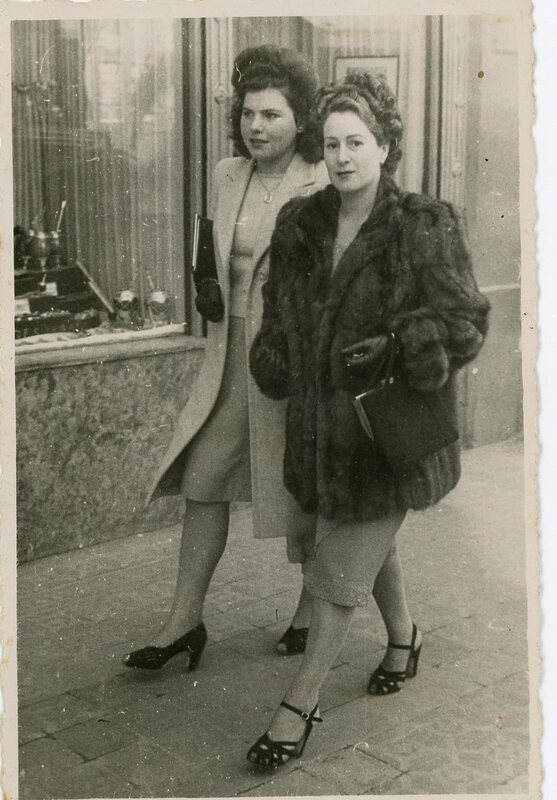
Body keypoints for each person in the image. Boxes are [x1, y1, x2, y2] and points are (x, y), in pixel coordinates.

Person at [247, 71, 490, 766]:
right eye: (331, 144)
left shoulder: (422, 224)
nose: (343, 157)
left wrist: (398, 340)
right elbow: (277, 316)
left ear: (385, 146)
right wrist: (274, 353)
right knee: (363, 546)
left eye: (356, 142)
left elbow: (466, 322)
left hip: (386, 436)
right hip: (319, 431)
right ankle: (405, 638)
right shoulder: (300, 224)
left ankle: (298, 706)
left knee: (336, 571)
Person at [121, 46, 329, 672]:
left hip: (290, 359)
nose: (256, 127)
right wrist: (206, 282)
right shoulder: (226, 173)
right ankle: (184, 621)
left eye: (271, 114)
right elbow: (209, 246)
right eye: (247, 114)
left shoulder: (323, 179)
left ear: (300, 119)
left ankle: (309, 609)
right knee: (205, 480)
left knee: (303, 487)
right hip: (229, 353)